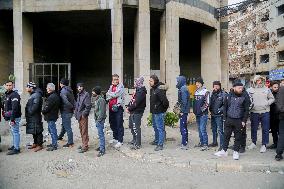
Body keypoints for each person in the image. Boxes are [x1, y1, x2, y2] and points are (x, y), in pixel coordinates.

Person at [214, 81, 250, 160]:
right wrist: (224, 119)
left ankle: (236, 152)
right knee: (226, 136)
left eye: (241, 88)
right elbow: (225, 107)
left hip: (239, 120)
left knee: (238, 137)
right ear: (234, 88)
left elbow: (246, 110)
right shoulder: (229, 95)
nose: (241, 89)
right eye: (239, 88)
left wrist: (244, 120)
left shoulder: (245, 96)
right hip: (229, 119)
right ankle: (224, 150)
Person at [247, 75, 275, 153]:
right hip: (254, 112)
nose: (259, 82)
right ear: (255, 81)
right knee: (253, 128)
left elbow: (272, 98)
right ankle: (253, 142)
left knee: (265, 129)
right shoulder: (249, 90)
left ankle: (264, 145)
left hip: (265, 112)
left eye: (261, 80)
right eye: (258, 80)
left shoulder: (267, 89)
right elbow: (247, 100)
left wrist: (267, 103)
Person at [149, 75, 169, 151]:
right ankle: (156, 140)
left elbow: (165, 102)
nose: (149, 82)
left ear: (155, 81)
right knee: (155, 127)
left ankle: (160, 144)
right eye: (149, 81)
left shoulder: (159, 90)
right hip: (154, 112)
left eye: (151, 81)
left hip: (159, 112)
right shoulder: (153, 89)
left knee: (160, 128)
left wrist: (162, 110)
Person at [126, 76, 147, 150]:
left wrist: (129, 108)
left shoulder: (141, 91)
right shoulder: (137, 90)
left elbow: (136, 103)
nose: (134, 83)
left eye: (135, 82)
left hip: (137, 111)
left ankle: (138, 143)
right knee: (132, 126)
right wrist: (128, 106)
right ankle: (134, 139)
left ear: (138, 83)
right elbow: (132, 100)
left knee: (136, 127)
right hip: (133, 111)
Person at [106, 74, 125, 149]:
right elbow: (107, 95)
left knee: (119, 124)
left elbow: (117, 94)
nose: (116, 81)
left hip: (118, 107)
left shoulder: (121, 86)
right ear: (112, 80)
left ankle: (120, 141)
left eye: (117, 79)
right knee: (112, 123)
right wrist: (112, 95)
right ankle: (115, 138)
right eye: (114, 79)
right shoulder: (111, 87)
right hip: (111, 108)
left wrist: (111, 94)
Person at [3, 81, 22, 155]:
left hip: (14, 117)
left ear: (13, 86)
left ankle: (16, 149)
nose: (8, 86)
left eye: (10, 85)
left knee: (15, 132)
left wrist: (12, 119)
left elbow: (15, 108)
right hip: (11, 117)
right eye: (7, 85)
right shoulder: (8, 94)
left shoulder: (14, 94)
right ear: (5, 86)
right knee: (13, 132)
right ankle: (15, 145)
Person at [25, 82, 44, 152]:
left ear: (31, 88)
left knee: (38, 130)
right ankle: (35, 143)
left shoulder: (36, 95)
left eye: (27, 87)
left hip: (35, 116)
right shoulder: (33, 94)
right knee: (34, 130)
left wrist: (30, 111)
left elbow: (35, 106)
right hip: (32, 116)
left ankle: (40, 145)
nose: (26, 88)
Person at [42, 83, 61, 151]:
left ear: (49, 89)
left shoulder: (51, 97)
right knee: (51, 130)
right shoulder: (55, 95)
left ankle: (54, 145)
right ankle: (54, 142)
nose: (46, 89)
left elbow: (47, 107)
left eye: (47, 88)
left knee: (52, 130)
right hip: (53, 115)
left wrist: (43, 111)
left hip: (51, 116)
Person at [57, 78, 75, 148]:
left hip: (66, 111)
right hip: (69, 111)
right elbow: (73, 100)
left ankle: (70, 142)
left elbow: (66, 101)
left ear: (61, 83)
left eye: (60, 83)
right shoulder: (70, 90)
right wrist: (72, 107)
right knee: (64, 125)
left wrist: (71, 106)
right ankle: (60, 136)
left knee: (68, 127)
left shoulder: (63, 91)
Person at [193, 77, 210, 151]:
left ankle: (205, 144)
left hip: (203, 114)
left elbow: (207, 103)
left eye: (198, 83)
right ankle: (201, 142)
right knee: (199, 129)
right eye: (196, 83)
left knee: (203, 129)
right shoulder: (196, 92)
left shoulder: (206, 92)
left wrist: (201, 110)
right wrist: (194, 110)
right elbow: (194, 102)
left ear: (201, 84)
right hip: (197, 114)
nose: (197, 84)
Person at [209, 81, 226, 151]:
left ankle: (222, 145)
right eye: (214, 86)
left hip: (219, 115)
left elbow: (225, 105)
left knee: (220, 131)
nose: (215, 87)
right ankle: (214, 142)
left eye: (217, 86)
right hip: (212, 114)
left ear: (220, 86)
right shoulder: (212, 94)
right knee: (213, 130)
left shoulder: (223, 94)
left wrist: (220, 110)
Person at [74, 83, 91, 153]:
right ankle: (83, 143)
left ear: (83, 87)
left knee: (84, 131)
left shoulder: (86, 95)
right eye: (78, 87)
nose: (79, 88)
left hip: (83, 116)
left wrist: (84, 114)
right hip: (79, 116)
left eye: (81, 86)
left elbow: (88, 106)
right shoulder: (79, 94)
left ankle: (85, 146)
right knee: (81, 130)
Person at [176, 76, 190, 150]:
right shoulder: (183, 88)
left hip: (183, 111)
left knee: (182, 127)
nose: (177, 82)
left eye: (178, 81)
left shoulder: (183, 89)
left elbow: (184, 101)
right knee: (184, 126)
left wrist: (181, 111)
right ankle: (185, 141)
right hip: (184, 111)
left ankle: (184, 144)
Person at [92, 86, 107, 157]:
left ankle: (102, 149)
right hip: (98, 120)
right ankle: (101, 146)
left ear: (96, 92)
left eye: (93, 91)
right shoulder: (98, 99)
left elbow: (102, 112)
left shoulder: (101, 100)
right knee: (99, 134)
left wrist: (98, 120)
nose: (92, 93)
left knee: (101, 135)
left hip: (100, 120)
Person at [268, 81, 280, 149]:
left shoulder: (281, 94)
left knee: (280, 131)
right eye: (274, 87)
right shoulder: (270, 94)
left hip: (279, 116)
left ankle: (280, 144)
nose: (276, 88)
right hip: (272, 116)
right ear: (271, 87)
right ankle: (275, 143)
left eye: (277, 87)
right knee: (273, 131)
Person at [275, 85, 284, 161]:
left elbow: (278, 104)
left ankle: (279, 154)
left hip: (282, 115)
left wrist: (281, 111)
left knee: (282, 134)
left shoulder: (281, 89)